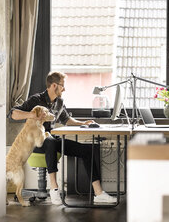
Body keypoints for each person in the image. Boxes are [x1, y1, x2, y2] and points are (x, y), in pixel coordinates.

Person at [9, 71, 117, 205]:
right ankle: (54, 189)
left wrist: (82, 123)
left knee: (88, 150)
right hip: (37, 143)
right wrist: (31, 115)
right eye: (62, 85)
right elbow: (13, 114)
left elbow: (66, 119)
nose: (64, 89)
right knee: (51, 142)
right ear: (54, 86)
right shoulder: (36, 100)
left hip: (51, 139)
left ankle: (99, 193)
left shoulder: (59, 102)